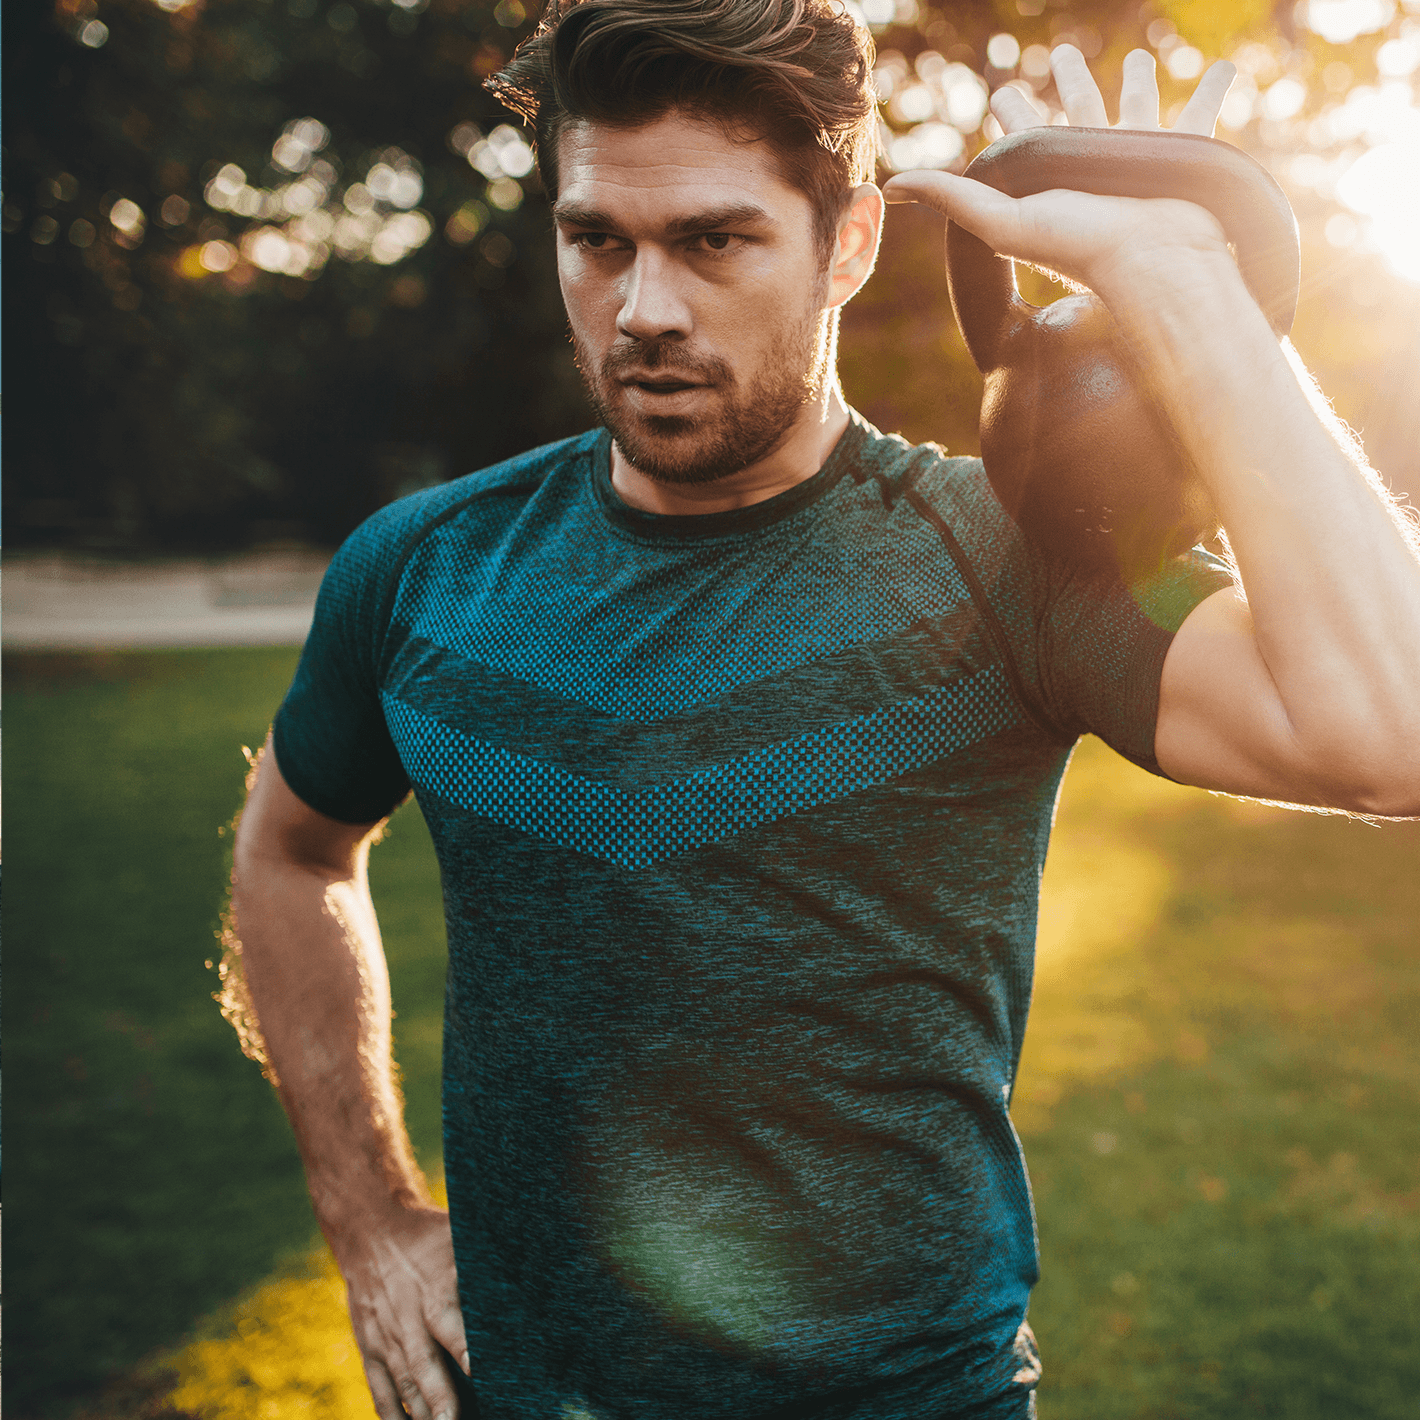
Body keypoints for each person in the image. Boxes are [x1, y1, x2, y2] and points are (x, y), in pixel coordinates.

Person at [227, 2, 1420, 1417]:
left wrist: (1182, 285)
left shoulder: (1013, 564)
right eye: (597, 239)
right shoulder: (419, 571)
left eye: (715, 241)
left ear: (850, 243)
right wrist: (372, 1219)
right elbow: (292, 852)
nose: (645, 308)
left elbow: (1388, 732)